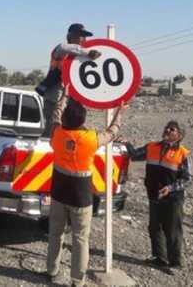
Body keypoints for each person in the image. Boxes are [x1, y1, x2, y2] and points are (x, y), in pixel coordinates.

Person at [45, 86, 129, 287]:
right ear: (82, 121)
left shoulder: (57, 134)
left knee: (55, 234)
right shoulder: (91, 138)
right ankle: (77, 280)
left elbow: (55, 114)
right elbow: (112, 132)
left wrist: (64, 95)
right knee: (80, 240)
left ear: (65, 120)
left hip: (58, 194)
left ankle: (52, 270)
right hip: (81, 198)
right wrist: (119, 112)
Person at [120, 121, 193, 272]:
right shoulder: (152, 147)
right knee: (155, 228)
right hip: (154, 195)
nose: (167, 130)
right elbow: (134, 155)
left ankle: (175, 262)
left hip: (173, 199)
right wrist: (126, 143)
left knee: (172, 230)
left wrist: (171, 188)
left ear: (179, 135)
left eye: (171, 129)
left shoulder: (183, 154)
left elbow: (189, 178)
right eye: (166, 127)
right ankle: (160, 258)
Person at [37, 23, 101, 137]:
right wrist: (88, 52)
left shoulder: (79, 56)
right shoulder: (61, 50)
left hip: (69, 100)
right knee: (52, 131)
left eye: (84, 36)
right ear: (71, 36)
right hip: (55, 98)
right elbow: (63, 47)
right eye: (80, 35)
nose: (83, 39)